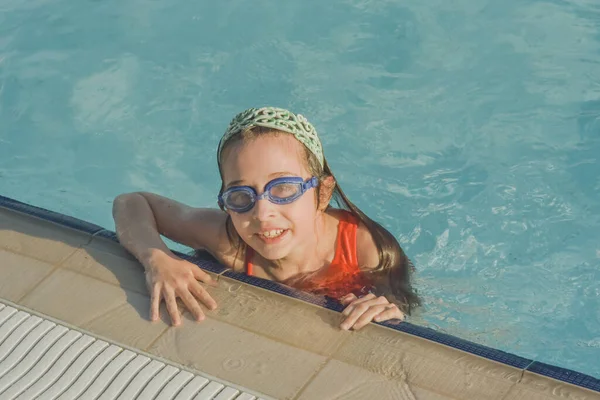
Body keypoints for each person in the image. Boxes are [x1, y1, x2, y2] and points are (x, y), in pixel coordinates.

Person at [112, 107, 420, 330]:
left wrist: (386, 306)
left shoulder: (364, 247)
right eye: (241, 196)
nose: (262, 213)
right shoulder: (228, 241)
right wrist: (157, 258)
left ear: (323, 193)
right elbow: (131, 202)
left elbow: (402, 301)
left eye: (284, 189)